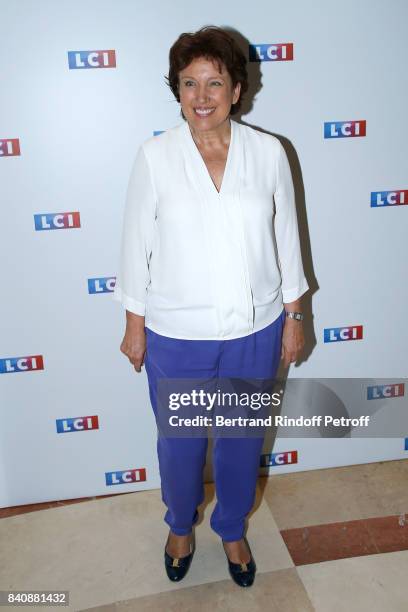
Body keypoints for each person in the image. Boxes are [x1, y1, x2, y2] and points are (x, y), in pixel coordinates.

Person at [112, 25, 309, 588]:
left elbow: (288, 239)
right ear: (176, 91)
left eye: (214, 83)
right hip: (177, 333)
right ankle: (179, 524)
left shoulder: (269, 153)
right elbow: (135, 244)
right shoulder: (155, 157)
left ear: (237, 90)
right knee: (181, 442)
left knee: (243, 440)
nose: (202, 96)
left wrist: (294, 317)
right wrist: (135, 325)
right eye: (189, 83)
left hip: (257, 328)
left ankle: (231, 527)